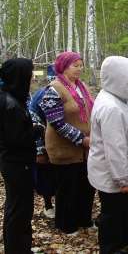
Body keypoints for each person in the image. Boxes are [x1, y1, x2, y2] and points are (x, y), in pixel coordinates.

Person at [88, 56, 128, 254]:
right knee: (111, 212)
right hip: (112, 171)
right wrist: (122, 179)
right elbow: (115, 148)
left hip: (116, 167)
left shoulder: (114, 98)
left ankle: (126, 236)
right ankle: (110, 247)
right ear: (118, 78)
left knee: (122, 207)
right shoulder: (111, 107)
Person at [39, 51, 95, 235]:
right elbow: (56, 122)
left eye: (81, 65)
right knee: (67, 188)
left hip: (85, 149)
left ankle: (84, 219)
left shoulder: (82, 86)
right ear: (63, 67)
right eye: (75, 65)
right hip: (64, 148)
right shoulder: (53, 89)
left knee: (85, 186)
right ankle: (66, 224)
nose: (79, 69)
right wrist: (82, 139)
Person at [0, 58, 36, 254]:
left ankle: (20, 247)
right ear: (19, 78)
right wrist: (36, 131)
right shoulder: (10, 104)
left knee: (18, 209)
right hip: (17, 164)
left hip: (15, 163)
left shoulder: (11, 98)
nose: (31, 79)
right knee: (19, 210)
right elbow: (16, 139)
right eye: (28, 76)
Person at [29, 82, 56, 219]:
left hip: (59, 143)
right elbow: (34, 120)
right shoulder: (42, 94)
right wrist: (39, 149)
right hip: (44, 141)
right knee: (45, 175)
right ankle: (48, 205)